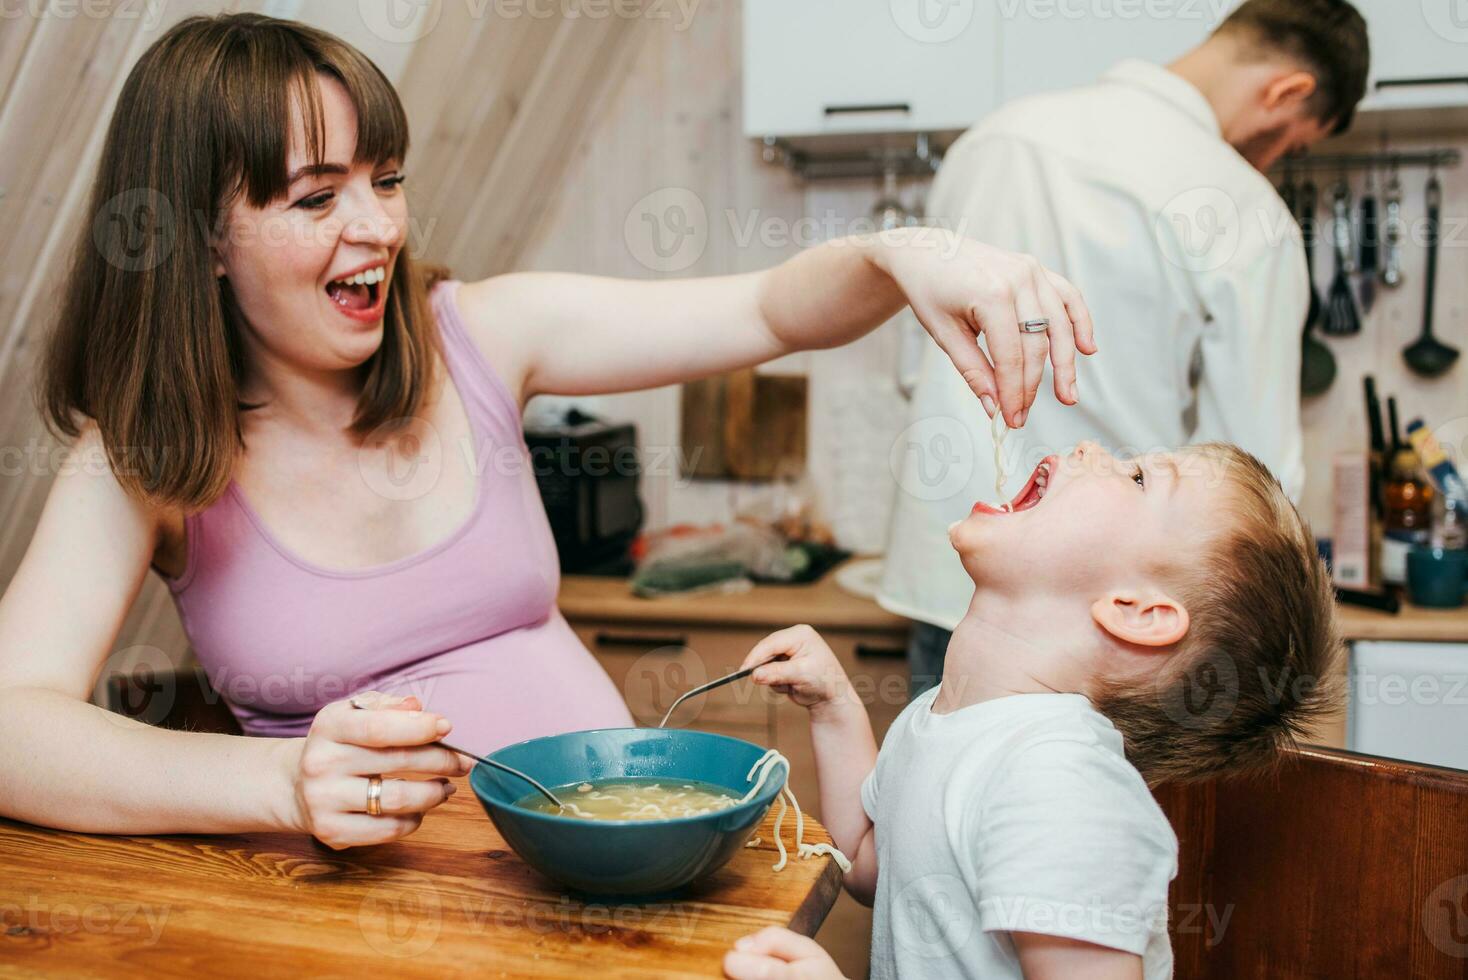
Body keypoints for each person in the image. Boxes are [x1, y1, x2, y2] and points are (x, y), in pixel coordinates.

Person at [0, 13, 1094, 850]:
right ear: (198, 238)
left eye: (385, 181)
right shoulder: (140, 454)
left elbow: (766, 310)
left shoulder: (480, 329)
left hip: (605, 874)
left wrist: (898, 257)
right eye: (315, 198)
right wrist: (279, 785)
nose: (377, 227)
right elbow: (13, 726)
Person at [880, 0, 1369, 696]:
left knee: (933, 789)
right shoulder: (1243, 209)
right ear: (1286, 91)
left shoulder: (994, 139)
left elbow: (915, 358)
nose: (1273, 157)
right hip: (1106, 621)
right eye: (1290, 141)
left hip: (949, 567)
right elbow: (1257, 473)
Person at [725, 440, 1338, 979]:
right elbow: (866, 867)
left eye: (1138, 478)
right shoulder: (941, 722)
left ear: (1136, 610)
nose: (1091, 448)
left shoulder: (1062, 786)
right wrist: (836, 708)